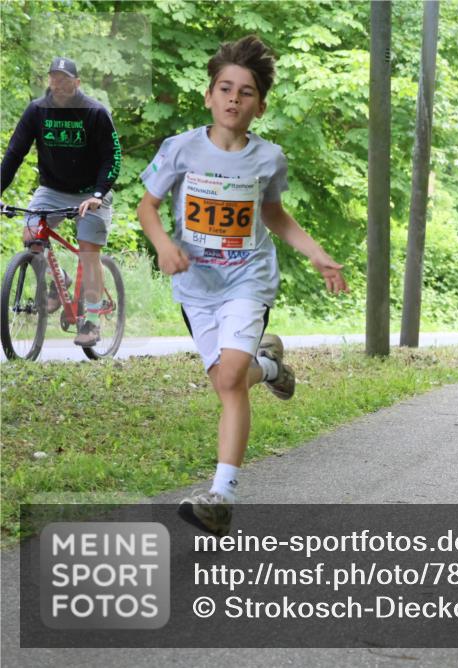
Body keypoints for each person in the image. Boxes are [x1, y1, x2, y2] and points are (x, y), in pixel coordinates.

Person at [137, 35, 348, 536]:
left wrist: (318, 255)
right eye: (225, 89)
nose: (234, 99)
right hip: (196, 286)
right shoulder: (180, 149)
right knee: (226, 381)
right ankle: (271, 365)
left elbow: (274, 215)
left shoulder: (268, 159)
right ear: (209, 96)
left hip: (247, 279)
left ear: (260, 104)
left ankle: (221, 495)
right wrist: (164, 244)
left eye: (246, 91)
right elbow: (146, 206)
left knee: (230, 379)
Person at [0, 56, 121, 347]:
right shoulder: (37, 110)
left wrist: (98, 195)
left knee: (89, 252)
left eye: (65, 80)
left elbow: (112, 158)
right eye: (54, 78)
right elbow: (15, 154)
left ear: (77, 83)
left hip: (92, 191)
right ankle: (61, 279)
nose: (59, 84)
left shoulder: (94, 112)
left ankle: (91, 321)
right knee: (31, 235)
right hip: (52, 189)